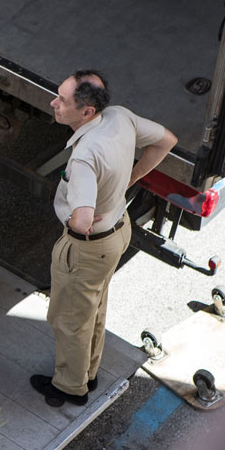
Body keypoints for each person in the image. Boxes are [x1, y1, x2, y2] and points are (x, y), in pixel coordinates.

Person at [31, 70, 177, 407]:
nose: (54, 103)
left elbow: (83, 219)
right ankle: (88, 371)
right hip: (117, 230)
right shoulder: (120, 117)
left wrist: (73, 219)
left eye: (62, 100)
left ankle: (71, 387)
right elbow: (166, 140)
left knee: (69, 319)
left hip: (88, 248)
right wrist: (130, 179)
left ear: (86, 112)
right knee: (92, 307)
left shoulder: (85, 156)